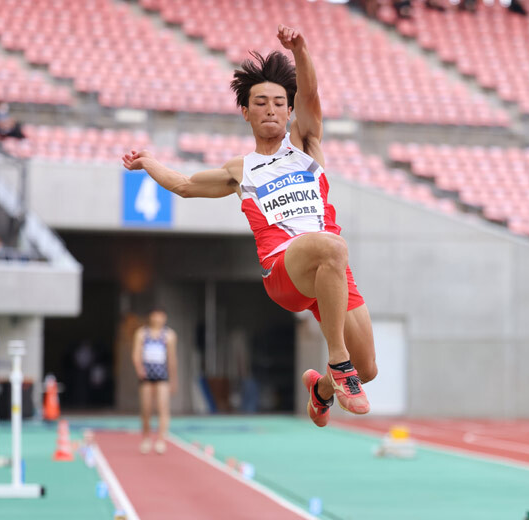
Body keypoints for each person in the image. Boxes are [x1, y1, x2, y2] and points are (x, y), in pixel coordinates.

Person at [122, 24, 378, 428]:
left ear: (290, 110)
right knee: (332, 247)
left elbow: (310, 93)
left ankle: (323, 389)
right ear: (246, 111)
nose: (272, 109)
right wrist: (149, 162)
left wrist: (301, 49)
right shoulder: (241, 170)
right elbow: (186, 186)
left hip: (330, 271)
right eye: (261, 102)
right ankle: (336, 359)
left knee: (369, 369)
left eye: (279, 102)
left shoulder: (307, 145)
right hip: (283, 268)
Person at [132, 309, 177, 454]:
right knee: (146, 408)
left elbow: (172, 358)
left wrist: (173, 379)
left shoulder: (169, 335)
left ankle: (161, 439)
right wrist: (139, 368)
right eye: (155, 315)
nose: (158, 318)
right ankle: (146, 438)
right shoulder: (142, 333)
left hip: (162, 375)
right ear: (151, 316)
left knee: (162, 407)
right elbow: (136, 353)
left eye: (161, 316)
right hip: (146, 376)